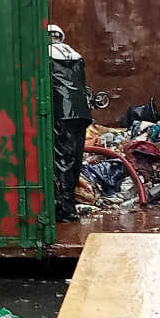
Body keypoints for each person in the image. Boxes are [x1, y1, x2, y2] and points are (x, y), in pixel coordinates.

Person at [48, 24, 92, 223]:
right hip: (82, 112)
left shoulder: (46, 54)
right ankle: (68, 202)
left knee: (63, 159)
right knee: (75, 158)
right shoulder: (75, 55)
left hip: (61, 112)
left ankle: (66, 210)